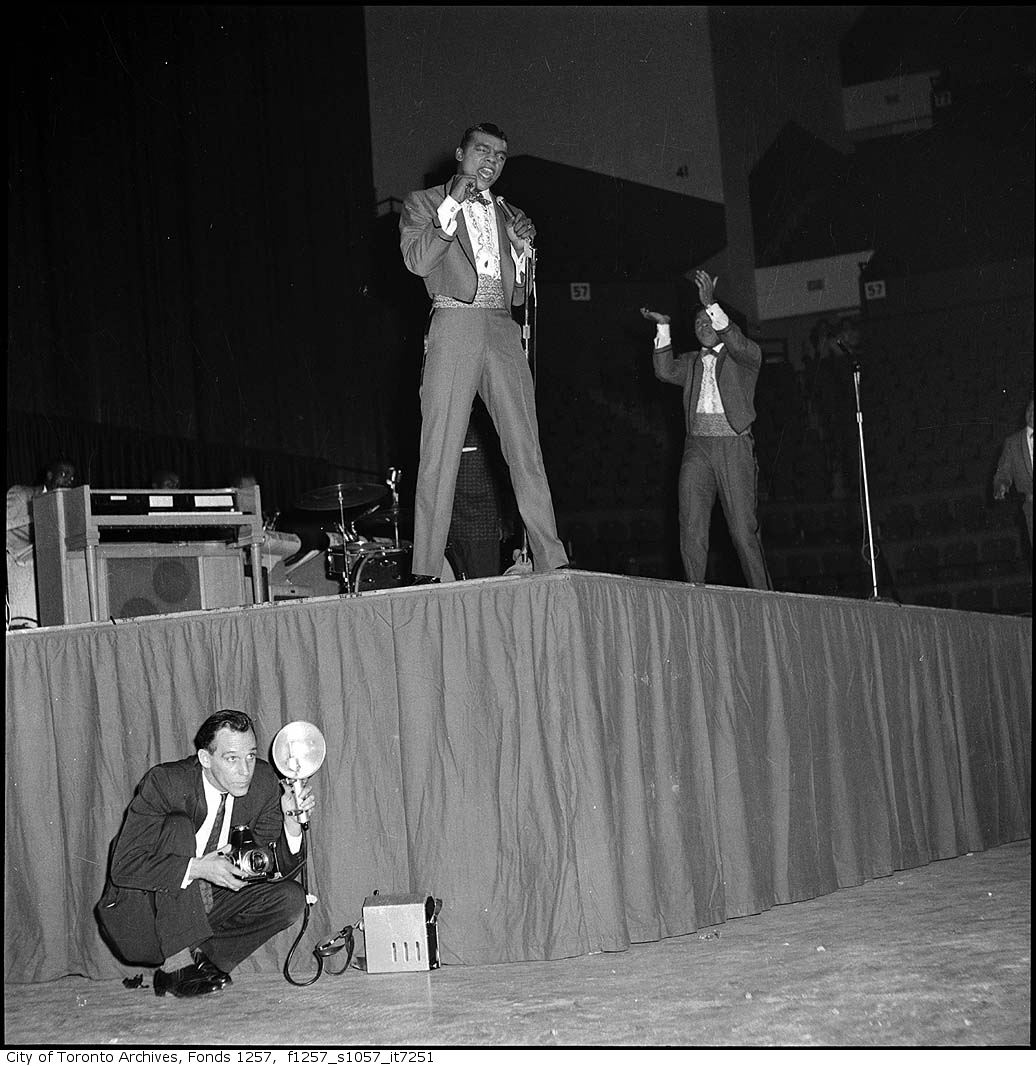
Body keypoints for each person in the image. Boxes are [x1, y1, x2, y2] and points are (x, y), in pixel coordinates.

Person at [399, 121, 568, 583]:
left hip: (501, 328)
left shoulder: (510, 212)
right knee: (441, 449)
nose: (491, 161)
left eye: (500, 155)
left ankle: (552, 558)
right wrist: (453, 202)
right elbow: (417, 261)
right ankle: (425, 568)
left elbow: (520, 296)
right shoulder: (424, 203)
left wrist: (523, 252)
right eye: (483, 151)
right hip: (454, 322)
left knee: (525, 447)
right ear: (460, 153)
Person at [96, 710, 312, 998]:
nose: (245, 770)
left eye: (250, 755)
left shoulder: (262, 783)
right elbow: (123, 867)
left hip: (209, 903)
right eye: (231, 758)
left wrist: (291, 822)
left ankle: (207, 964)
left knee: (290, 899)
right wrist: (197, 868)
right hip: (145, 914)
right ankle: (176, 966)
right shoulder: (167, 783)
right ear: (205, 759)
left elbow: (270, 866)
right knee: (178, 827)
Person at [640, 271, 771, 589]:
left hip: (733, 445)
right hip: (697, 447)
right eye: (698, 323)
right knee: (692, 524)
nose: (703, 326)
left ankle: (765, 595)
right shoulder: (691, 363)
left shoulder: (745, 358)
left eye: (708, 321)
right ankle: (694, 592)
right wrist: (662, 326)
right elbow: (664, 370)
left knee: (742, 530)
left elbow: (738, 342)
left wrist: (710, 304)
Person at [447, 399, 515, 579]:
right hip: (453, 528)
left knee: (484, 587)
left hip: (481, 527)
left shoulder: (483, 433)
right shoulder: (445, 433)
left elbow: (502, 479)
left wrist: (504, 520)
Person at [6, 458, 77, 626]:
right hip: (22, 563)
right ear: (50, 475)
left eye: (72, 478)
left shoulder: (71, 505)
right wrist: (41, 521)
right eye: (64, 474)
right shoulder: (21, 495)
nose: (69, 481)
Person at [993, 396, 1033, 546]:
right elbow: (1003, 472)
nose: (1032, 413)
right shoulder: (1012, 442)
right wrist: (1001, 485)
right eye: (1029, 409)